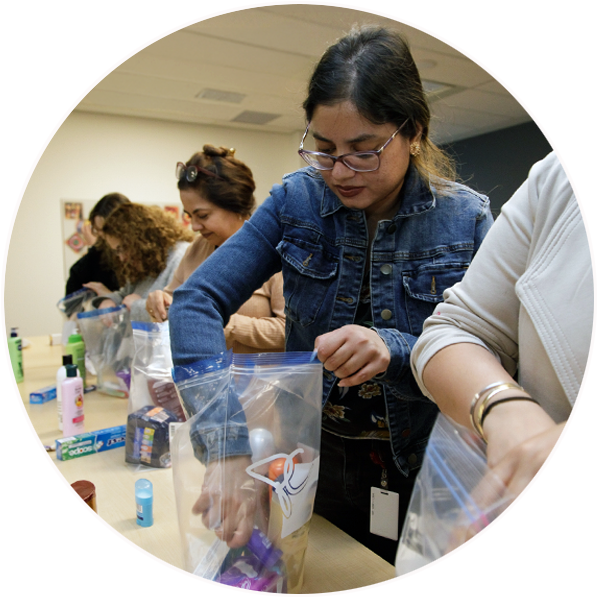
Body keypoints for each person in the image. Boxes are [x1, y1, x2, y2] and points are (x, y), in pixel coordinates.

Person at [169, 25, 494, 563]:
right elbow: (195, 303)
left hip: (423, 465)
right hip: (318, 456)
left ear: (412, 132)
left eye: (363, 151)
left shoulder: (464, 218)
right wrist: (225, 446)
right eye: (323, 149)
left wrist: (392, 346)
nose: (339, 171)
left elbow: (496, 356)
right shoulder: (295, 201)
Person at [410, 96, 597, 562]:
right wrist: (506, 408)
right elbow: (451, 330)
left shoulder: (462, 211)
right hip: (542, 560)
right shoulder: (567, 177)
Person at [145, 145, 286, 353]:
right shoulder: (196, 249)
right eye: (189, 215)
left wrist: (219, 321)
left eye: (202, 216)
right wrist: (159, 302)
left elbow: (291, 331)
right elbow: (174, 301)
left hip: (264, 383)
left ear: (236, 206)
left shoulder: (276, 250)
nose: (193, 227)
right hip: (209, 378)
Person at [90, 203, 193, 322]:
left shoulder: (180, 256)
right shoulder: (145, 262)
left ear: (139, 241)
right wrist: (108, 301)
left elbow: (179, 314)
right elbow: (124, 294)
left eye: (122, 248)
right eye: (116, 251)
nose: (122, 258)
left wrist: (137, 306)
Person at [65, 192, 130, 295]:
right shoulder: (92, 260)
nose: (104, 237)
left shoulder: (142, 259)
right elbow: (70, 304)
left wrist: (110, 296)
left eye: (107, 231)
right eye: (99, 231)